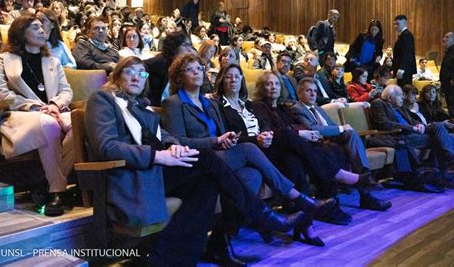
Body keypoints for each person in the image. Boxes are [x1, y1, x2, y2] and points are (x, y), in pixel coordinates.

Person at [84, 56, 305, 266]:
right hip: (135, 174)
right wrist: (159, 156)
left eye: (142, 74)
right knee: (208, 159)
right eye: (129, 72)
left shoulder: (142, 107)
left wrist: (174, 147)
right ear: (117, 77)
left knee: (206, 184)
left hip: (157, 170)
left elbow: (162, 135)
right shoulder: (103, 99)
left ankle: (168, 261)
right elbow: (107, 147)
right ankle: (260, 214)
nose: (136, 77)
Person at [160, 54, 329, 251]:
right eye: (190, 69)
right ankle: (295, 198)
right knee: (249, 149)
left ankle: (222, 240)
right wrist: (215, 141)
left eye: (199, 68)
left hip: (221, 156)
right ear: (180, 76)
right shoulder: (173, 103)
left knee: (252, 175)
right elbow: (178, 141)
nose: (197, 73)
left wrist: (228, 138)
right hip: (198, 161)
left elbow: (223, 133)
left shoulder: (209, 103)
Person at [251, 71, 384, 225]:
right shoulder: (258, 106)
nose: (273, 87)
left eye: (275, 83)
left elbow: (295, 127)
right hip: (273, 150)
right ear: (261, 87)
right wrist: (302, 133)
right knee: (302, 151)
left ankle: (327, 206)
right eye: (268, 84)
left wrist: (303, 133)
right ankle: (339, 178)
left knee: (328, 151)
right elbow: (272, 129)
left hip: (291, 150)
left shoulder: (283, 108)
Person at [0, 15, 74, 216]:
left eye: (42, 27)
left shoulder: (53, 61)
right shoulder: (3, 60)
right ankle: (57, 190)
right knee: (48, 124)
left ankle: (47, 184)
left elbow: (66, 91)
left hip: (54, 111)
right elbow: (0, 93)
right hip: (19, 116)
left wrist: (55, 104)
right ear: (21, 32)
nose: (42, 31)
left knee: (80, 123)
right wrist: (34, 106)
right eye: (35, 27)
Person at [290, 77, 391, 210]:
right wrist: (341, 128)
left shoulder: (319, 109)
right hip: (318, 144)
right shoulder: (297, 109)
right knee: (347, 137)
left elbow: (332, 127)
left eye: (314, 91)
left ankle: (364, 177)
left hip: (333, 141)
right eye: (309, 91)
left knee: (351, 134)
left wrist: (342, 129)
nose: (313, 94)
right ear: (299, 93)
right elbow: (314, 129)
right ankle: (366, 184)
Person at [370, 85, 454, 178]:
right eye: (400, 95)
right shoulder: (378, 104)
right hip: (401, 135)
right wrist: (412, 128)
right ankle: (451, 169)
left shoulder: (400, 106)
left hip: (413, 132)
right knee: (445, 139)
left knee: (446, 131)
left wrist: (419, 124)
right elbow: (384, 124)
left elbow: (411, 120)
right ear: (390, 98)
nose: (403, 98)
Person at [144, 31, 195, 106]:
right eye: (186, 45)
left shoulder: (183, 64)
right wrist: (143, 94)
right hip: (156, 108)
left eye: (191, 46)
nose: (190, 50)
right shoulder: (161, 61)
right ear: (175, 46)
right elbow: (140, 66)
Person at [392, 15, 416, 86]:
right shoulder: (403, 35)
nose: (395, 26)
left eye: (398, 24)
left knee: (405, 90)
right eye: (395, 24)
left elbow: (407, 53)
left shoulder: (407, 35)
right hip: (403, 69)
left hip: (404, 70)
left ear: (405, 23)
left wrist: (402, 69)